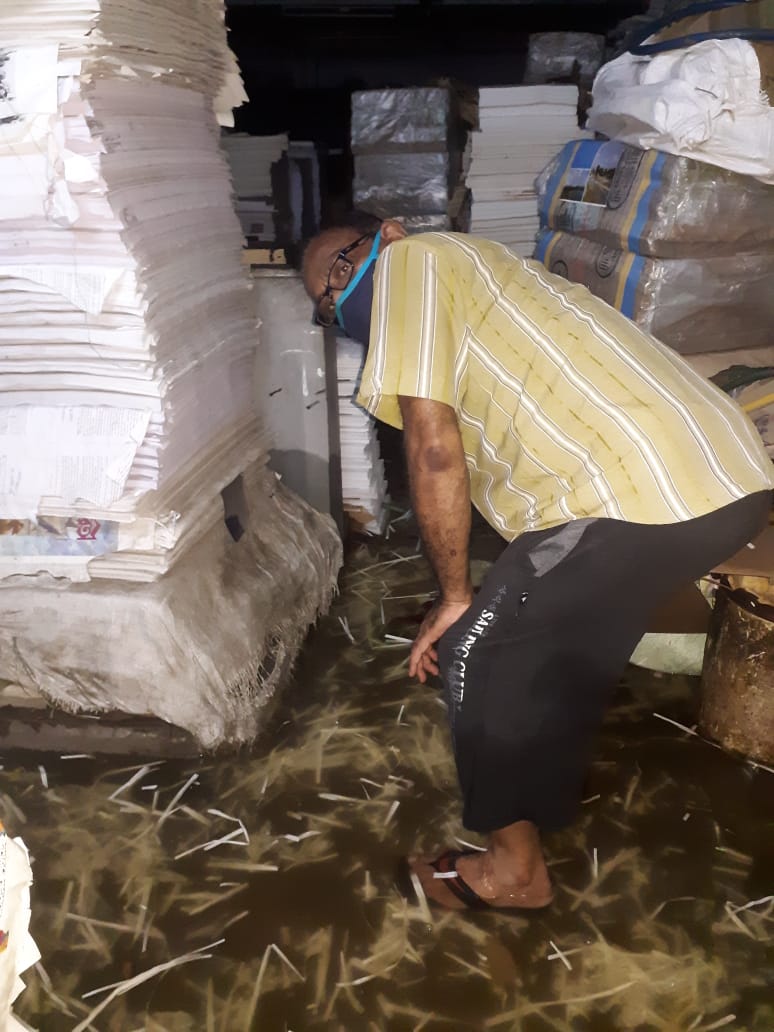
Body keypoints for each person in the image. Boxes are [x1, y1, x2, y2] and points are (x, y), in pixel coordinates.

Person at [302, 220, 774, 912]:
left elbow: (435, 454)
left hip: (636, 492)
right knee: (538, 620)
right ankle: (549, 759)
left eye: (343, 269)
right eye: (325, 302)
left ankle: (513, 872)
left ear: (390, 234)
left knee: (474, 654)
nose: (342, 298)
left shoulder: (413, 264)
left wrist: (458, 597)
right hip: (722, 479)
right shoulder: (488, 278)